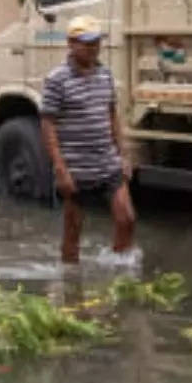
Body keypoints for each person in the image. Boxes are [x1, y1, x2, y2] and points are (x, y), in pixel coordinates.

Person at [40, 14, 136, 264]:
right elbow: (48, 124)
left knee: (126, 219)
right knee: (73, 233)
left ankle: (119, 275)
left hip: (107, 162)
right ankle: (71, 285)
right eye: (87, 43)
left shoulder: (105, 75)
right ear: (71, 44)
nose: (94, 48)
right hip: (76, 167)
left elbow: (112, 115)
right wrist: (60, 169)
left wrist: (123, 155)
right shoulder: (56, 80)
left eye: (96, 42)